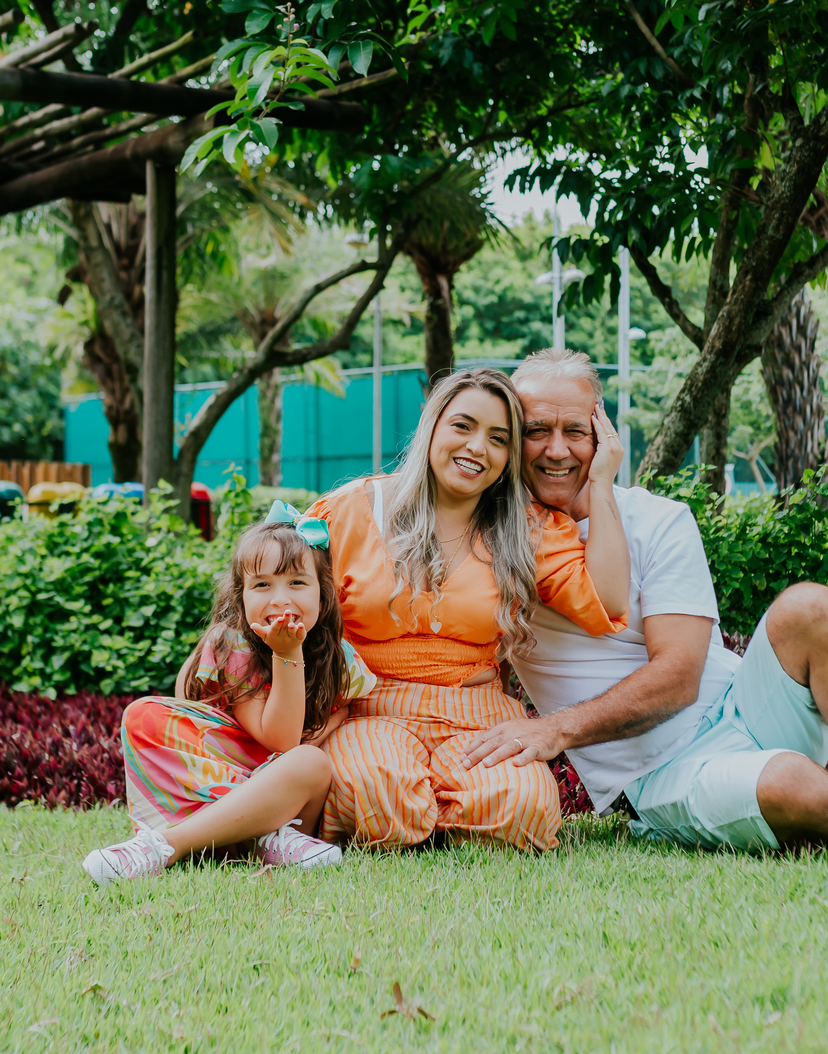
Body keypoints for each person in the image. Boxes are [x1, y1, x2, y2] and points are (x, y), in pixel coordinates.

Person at [463, 347, 828, 872]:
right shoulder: (496, 543)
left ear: (601, 431)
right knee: (791, 785)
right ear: (512, 439)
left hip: (743, 708)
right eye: (536, 431)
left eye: (574, 430)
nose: (556, 449)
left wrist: (555, 730)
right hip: (658, 774)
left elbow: (679, 678)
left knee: (810, 605)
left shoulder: (659, 520)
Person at [310, 366, 630, 853]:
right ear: (431, 424)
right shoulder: (349, 511)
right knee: (374, 790)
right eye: (463, 426)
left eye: (499, 438)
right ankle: (429, 814)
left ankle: (431, 816)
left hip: (477, 715)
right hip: (369, 709)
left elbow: (607, 600)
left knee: (522, 809)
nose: (478, 448)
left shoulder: (526, 527)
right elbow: (283, 602)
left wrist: (602, 481)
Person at [83, 506, 373, 885]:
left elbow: (298, 742)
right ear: (241, 596)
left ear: (325, 595)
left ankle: (166, 845)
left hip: (287, 787)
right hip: (226, 768)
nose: (280, 600)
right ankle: (260, 837)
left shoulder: (341, 659)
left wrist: (289, 655)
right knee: (142, 714)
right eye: (263, 585)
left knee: (310, 763)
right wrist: (285, 654)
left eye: (298, 583)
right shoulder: (234, 647)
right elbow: (276, 736)